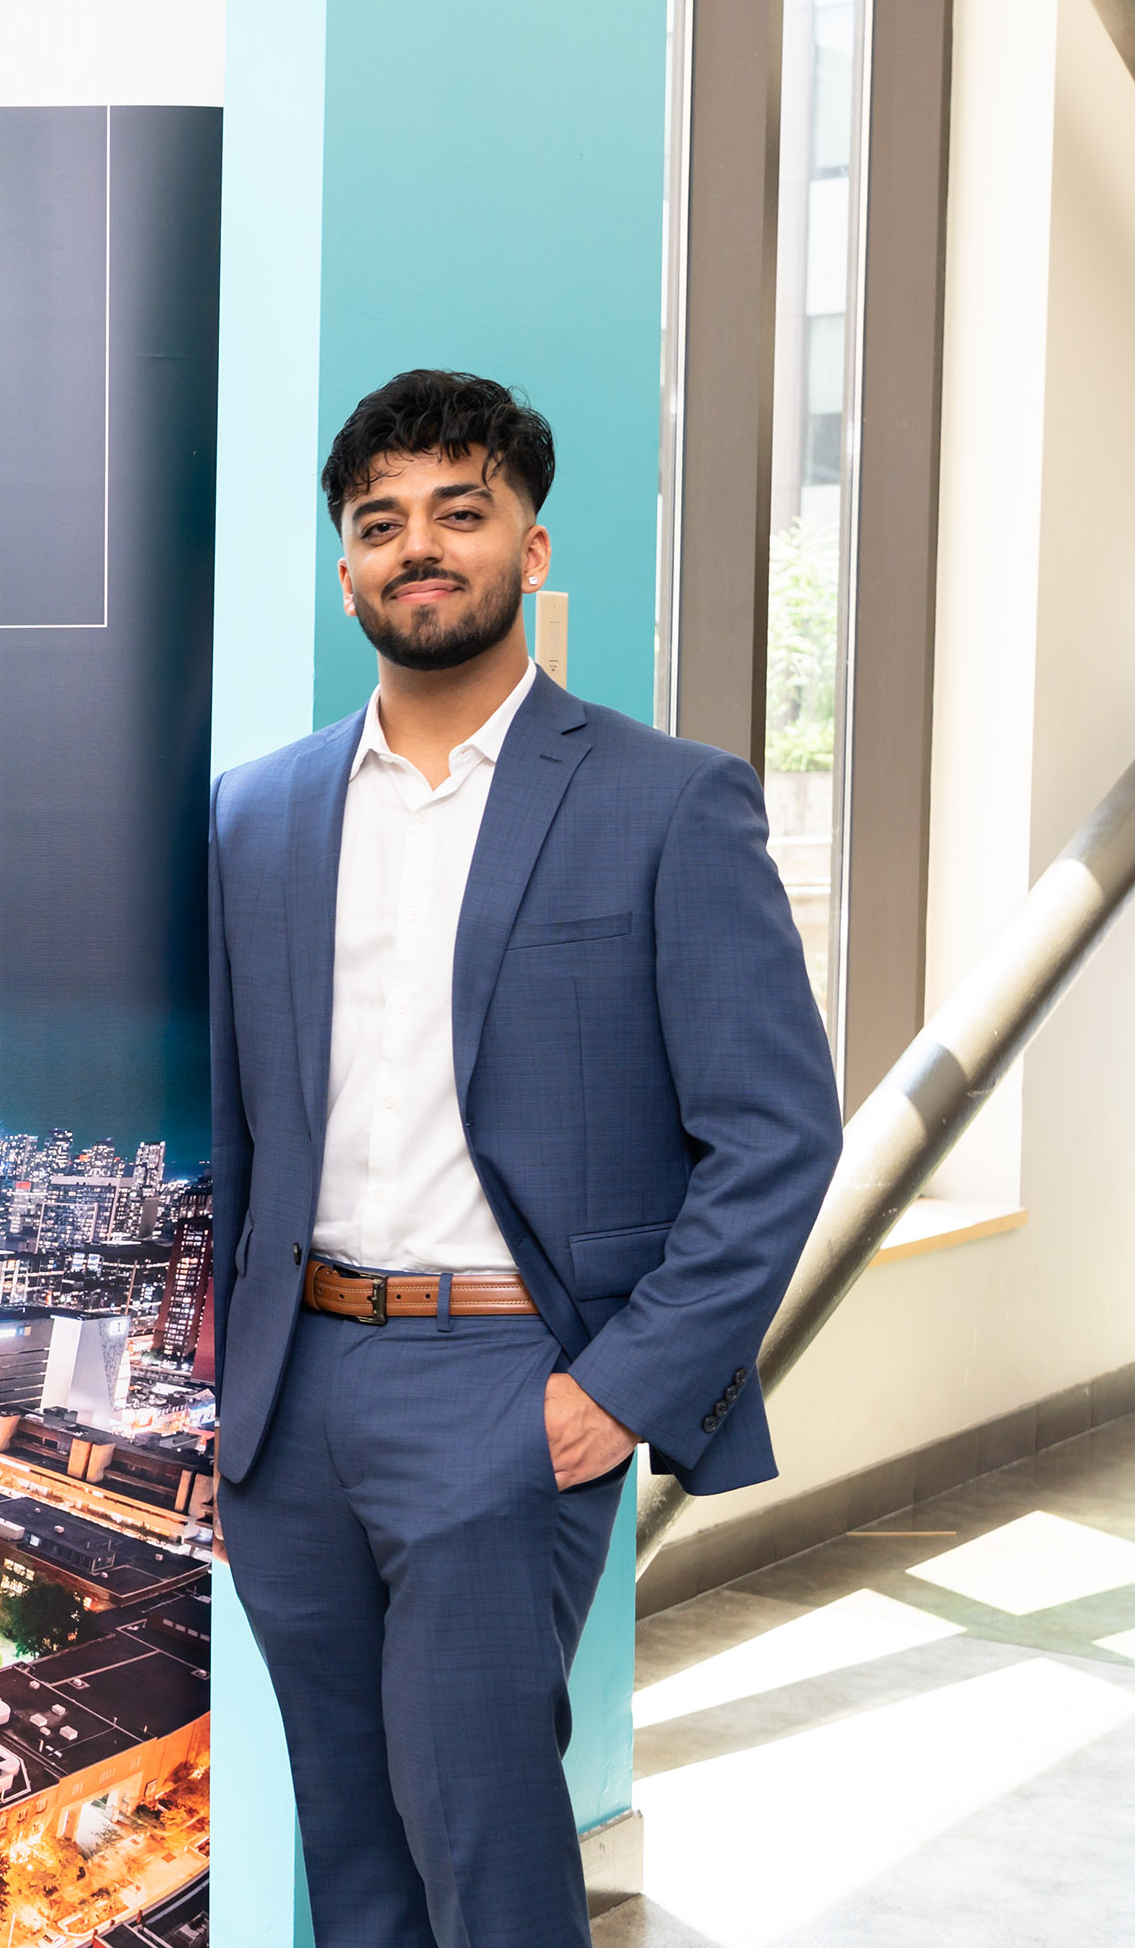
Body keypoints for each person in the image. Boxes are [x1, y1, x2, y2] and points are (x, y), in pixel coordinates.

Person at [208, 370, 843, 1946]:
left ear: (531, 549)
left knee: (484, 1850)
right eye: (381, 524)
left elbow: (775, 1133)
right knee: (346, 1853)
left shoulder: (666, 802)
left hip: (504, 1386)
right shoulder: (255, 818)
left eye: (458, 513)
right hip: (290, 1410)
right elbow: (228, 1129)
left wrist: (621, 1389)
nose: (418, 548)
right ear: (345, 569)